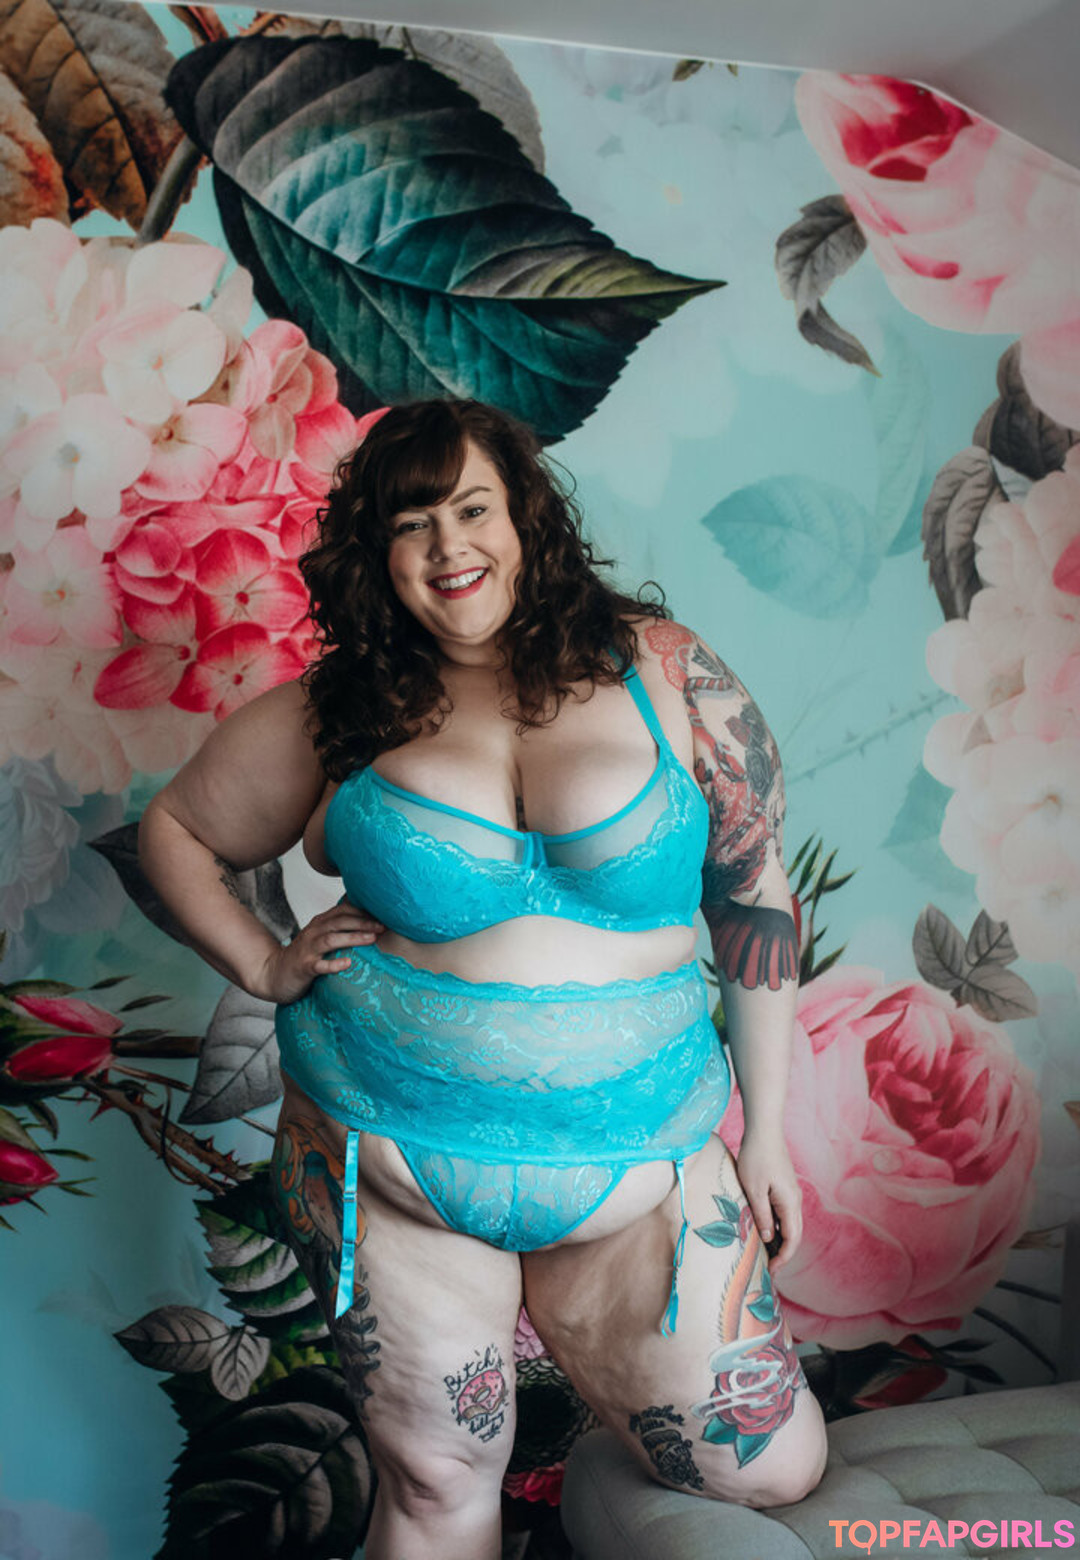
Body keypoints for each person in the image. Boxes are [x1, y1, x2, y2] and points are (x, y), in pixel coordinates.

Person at [139, 399, 827, 1560]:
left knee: (765, 1466)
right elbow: (179, 830)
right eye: (412, 524)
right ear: (379, 552)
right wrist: (264, 960)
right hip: (391, 1158)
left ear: (523, 519)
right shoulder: (346, 708)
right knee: (437, 1486)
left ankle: (589, 1450)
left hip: (641, 1159)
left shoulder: (665, 670)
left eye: (471, 509)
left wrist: (766, 1133)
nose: (448, 546)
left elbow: (753, 891)